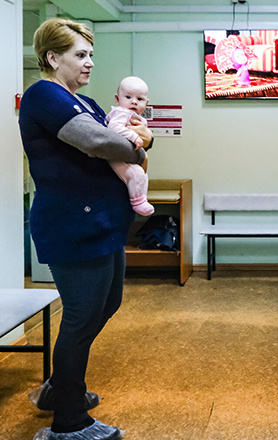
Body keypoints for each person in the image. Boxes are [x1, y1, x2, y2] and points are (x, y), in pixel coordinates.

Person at [19, 17, 152, 440]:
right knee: (80, 317)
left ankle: (60, 389)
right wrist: (141, 146)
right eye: (80, 55)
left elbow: (122, 141)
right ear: (52, 57)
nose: (90, 62)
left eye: (90, 54)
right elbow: (100, 143)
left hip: (104, 224)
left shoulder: (88, 102)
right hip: (73, 226)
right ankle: (69, 422)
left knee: (106, 305)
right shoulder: (43, 95)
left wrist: (138, 142)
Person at [105, 76, 154, 216]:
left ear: (146, 103)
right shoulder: (121, 112)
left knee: (142, 176)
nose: (134, 102)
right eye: (128, 97)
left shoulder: (134, 116)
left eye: (140, 99)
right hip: (116, 157)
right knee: (136, 174)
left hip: (128, 156)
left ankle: (141, 199)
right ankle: (138, 202)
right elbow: (114, 127)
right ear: (117, 99)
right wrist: (134, 136)